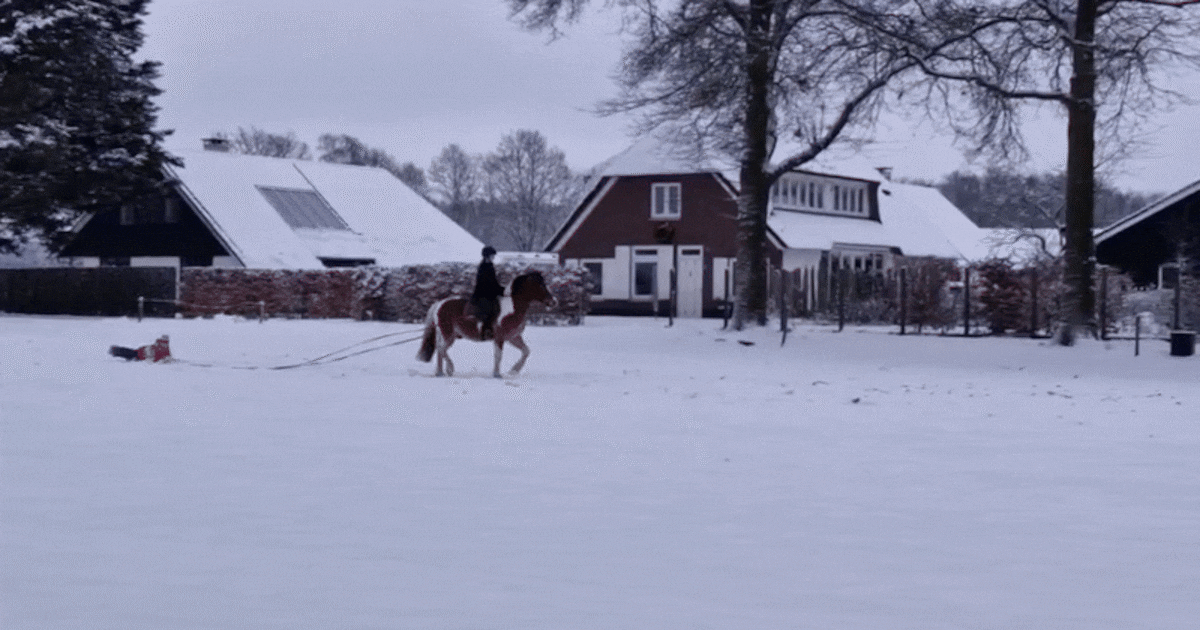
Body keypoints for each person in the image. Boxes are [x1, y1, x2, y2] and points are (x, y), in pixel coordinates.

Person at [471, 246, 504, 340]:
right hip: (482, 293)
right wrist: (497, 290)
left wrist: (501, 290)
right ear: (487, 256)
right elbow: (485, 282)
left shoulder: (490, 265)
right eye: (492, 256)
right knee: (490, 309)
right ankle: (484, 330)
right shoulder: (483, 266)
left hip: (490, 292)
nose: (493, 258)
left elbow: (494, 281)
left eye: (493, 256)